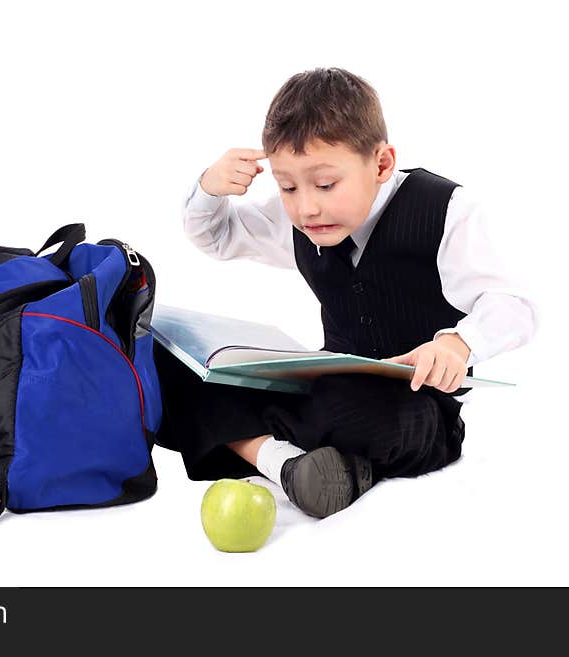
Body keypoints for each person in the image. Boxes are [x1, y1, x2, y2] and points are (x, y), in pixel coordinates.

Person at [153, 67, 538, 518]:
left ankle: (269, 451)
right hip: (327, 386)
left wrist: (459, 342)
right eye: (287, 186)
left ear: (381, 164)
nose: (305, 207)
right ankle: (286, 464)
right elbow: (217, 235)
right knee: (171, 366)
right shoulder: (297, 218)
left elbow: (514, 305)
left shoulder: (447, 212)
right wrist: (209, 188)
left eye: (325, 184)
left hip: (415, 404)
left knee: (386, 423)